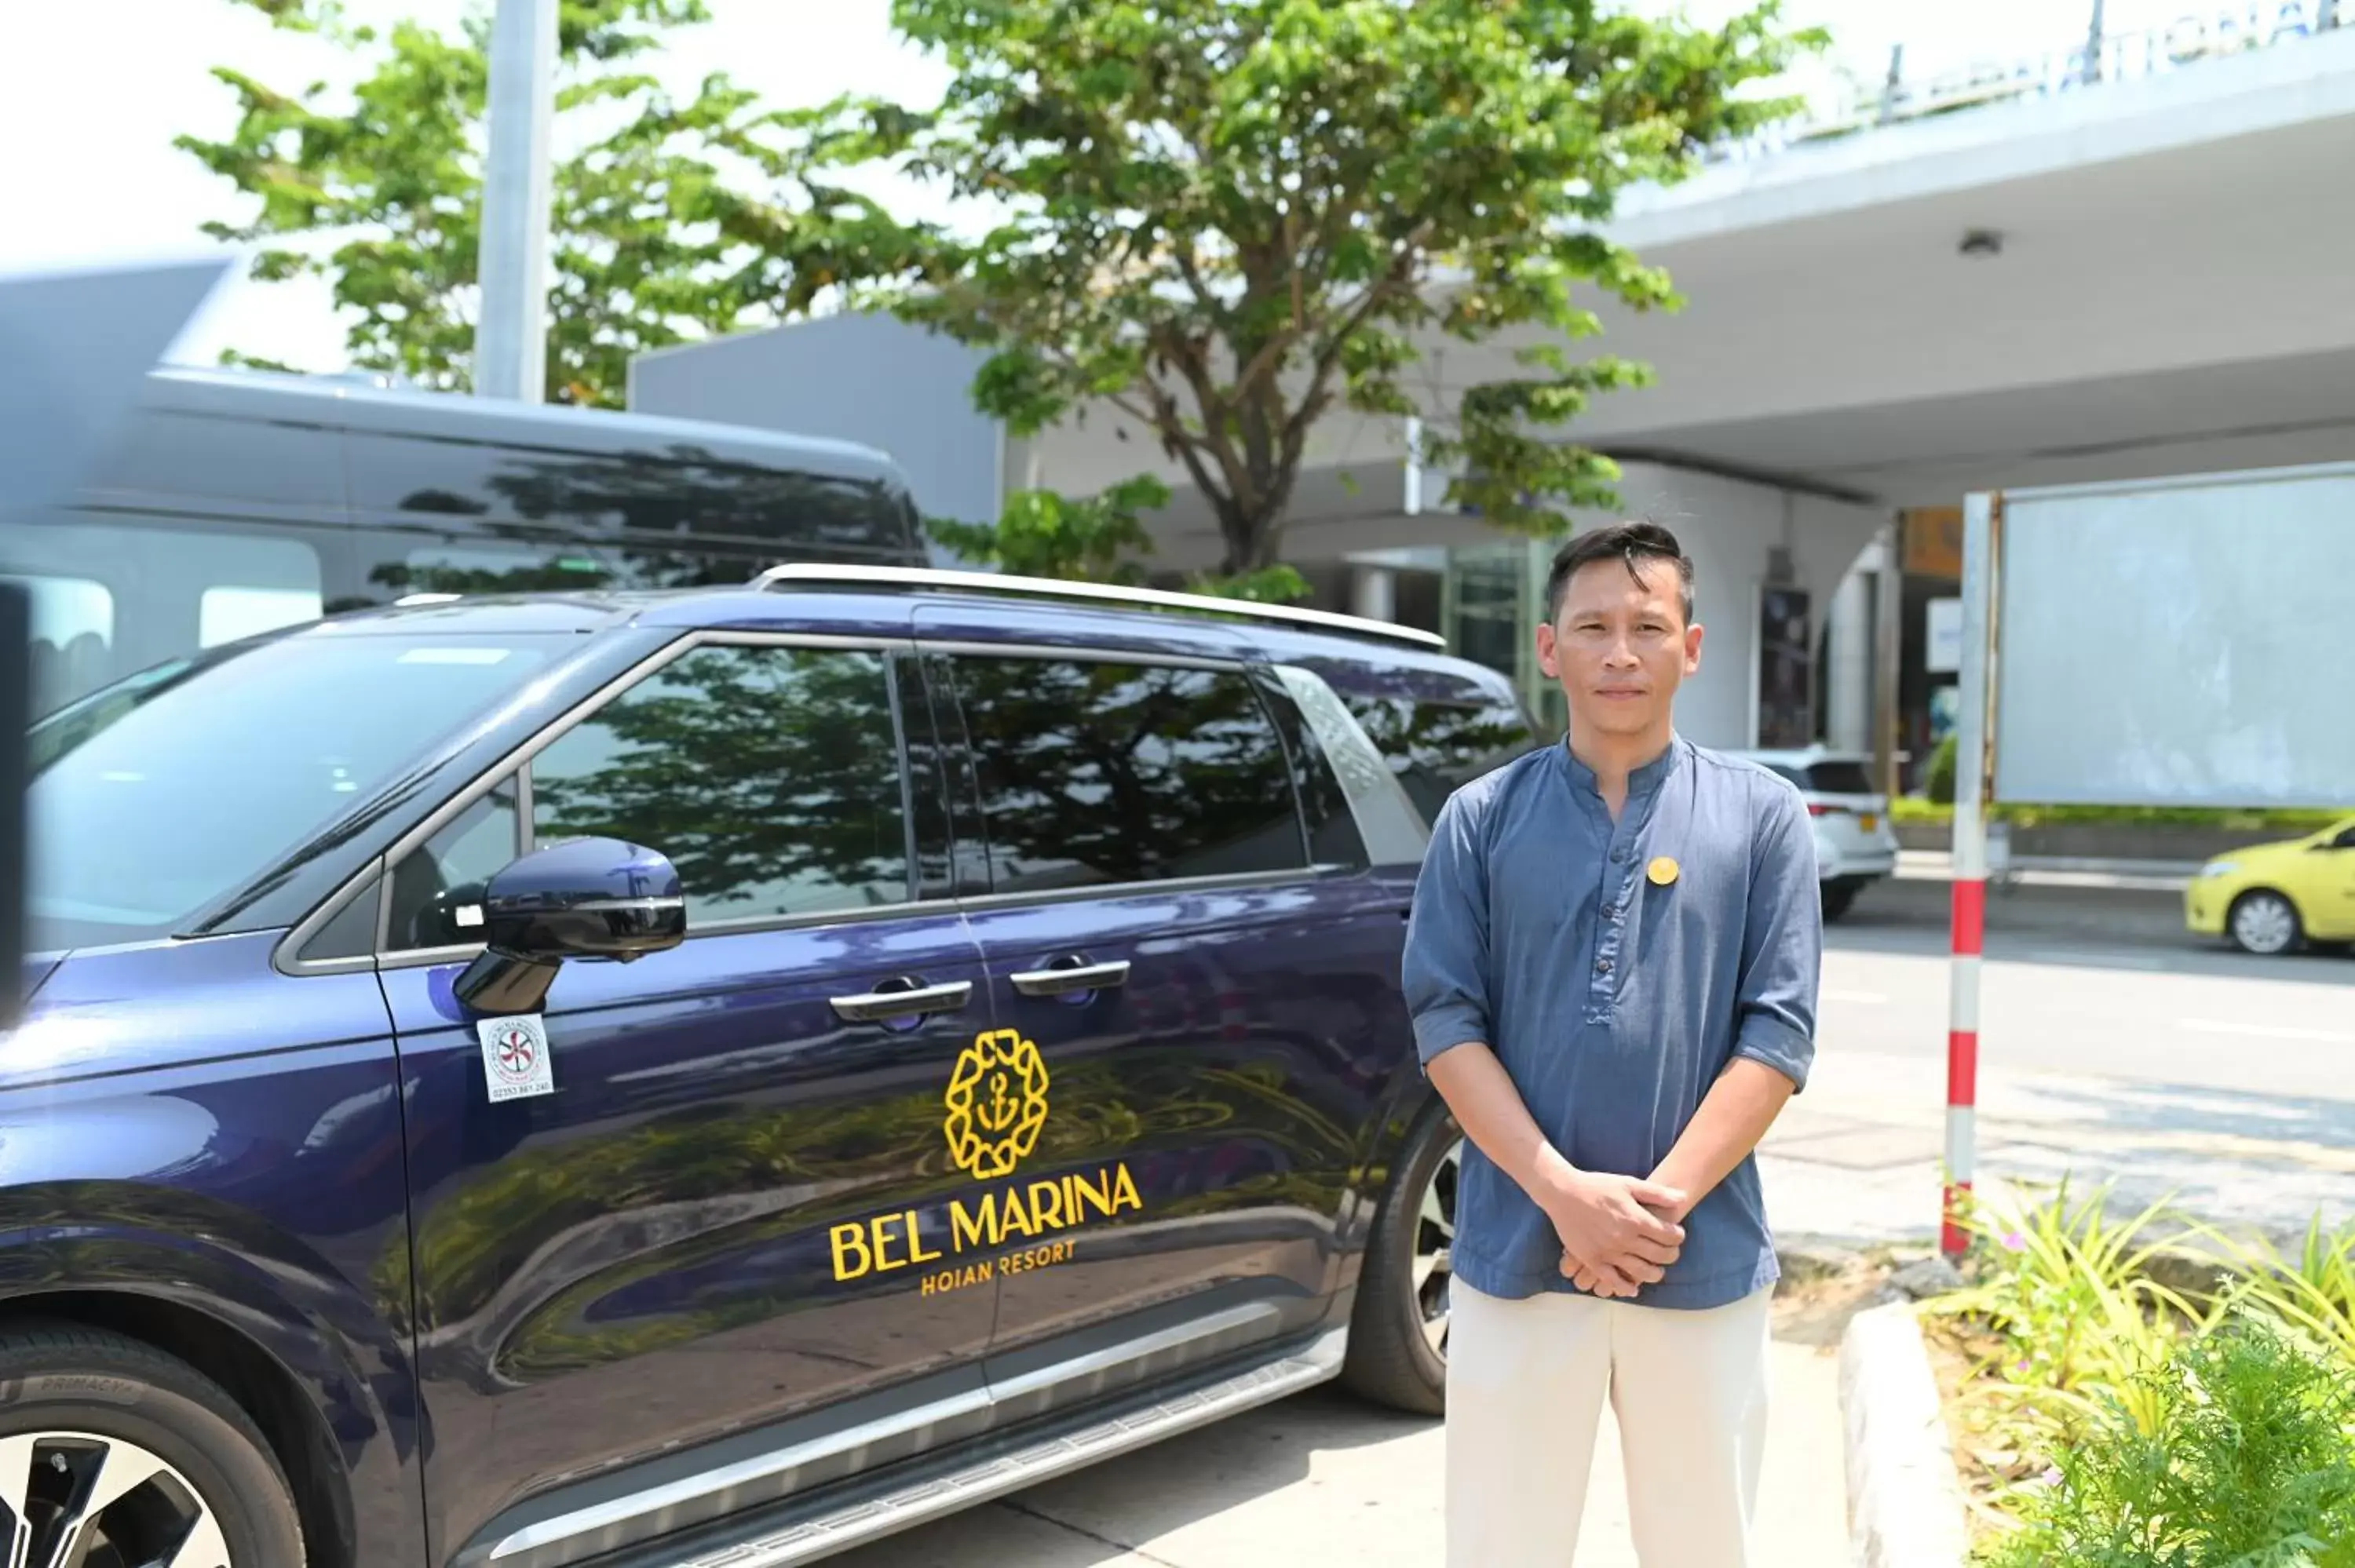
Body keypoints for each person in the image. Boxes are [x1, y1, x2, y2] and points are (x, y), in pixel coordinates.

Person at [1403, 520, 1821, 1566]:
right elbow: (1446, 1022)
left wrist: (1648, 1214)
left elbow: (1778, 1033)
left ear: (1693, 643)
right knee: (1501, 1545)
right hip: (1516, 1254)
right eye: (1593, 626)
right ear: (1549, 647)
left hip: (1701, 1257)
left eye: (1647, 625)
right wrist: (1564, 1196)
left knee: (1703, 1545)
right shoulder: (1480, 818)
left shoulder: (1764, 817)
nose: (1621, 653)